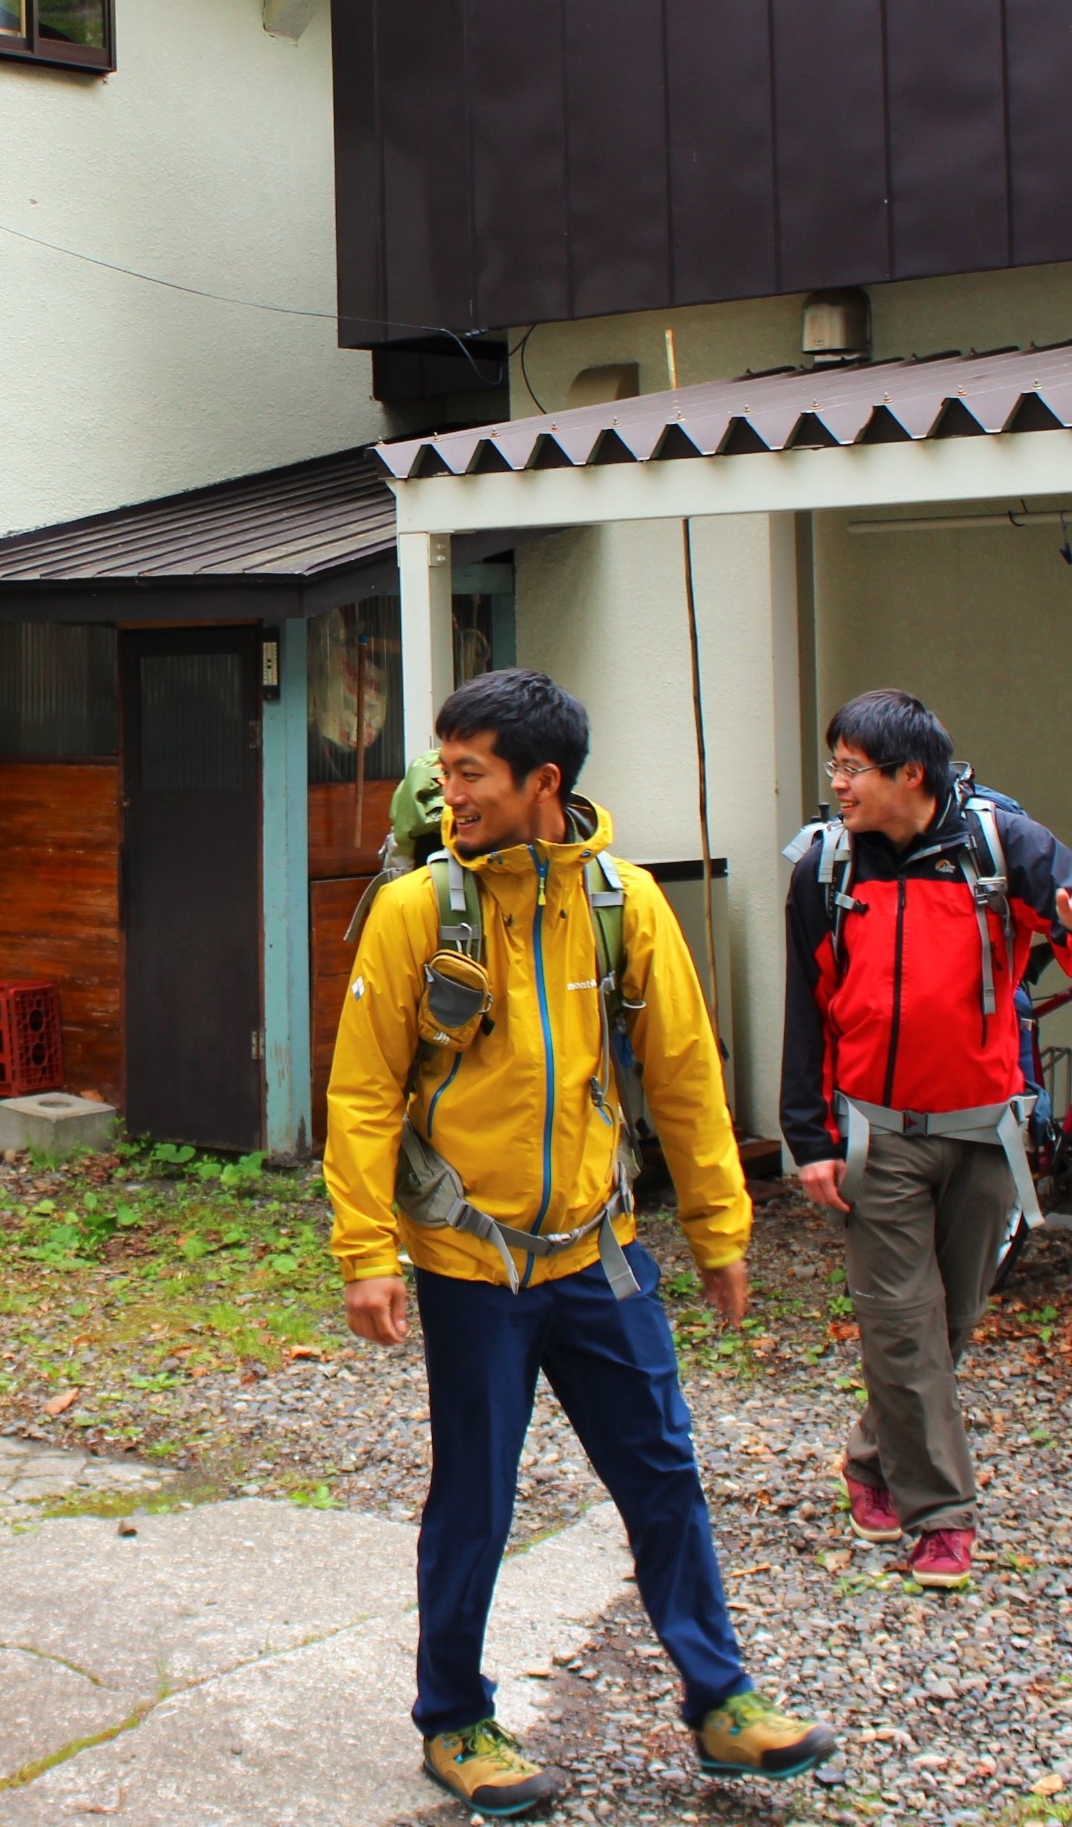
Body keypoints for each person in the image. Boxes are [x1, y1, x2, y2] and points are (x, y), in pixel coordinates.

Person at [328, 668, 840, 1817]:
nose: (451, 794)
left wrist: (719, 1228)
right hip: (473, 1267)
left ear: (542, 782)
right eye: (446, 771)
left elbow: (686, 1074)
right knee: (475, 1498)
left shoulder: (625, 904)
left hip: (599, 1257)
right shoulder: (418, 912)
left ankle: (723, 1701)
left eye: (472, 773)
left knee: (662, 1471)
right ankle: (454, 1719)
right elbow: (361, 1094)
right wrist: (366, 1252)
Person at [780, 689, 1072, 1591]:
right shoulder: (825, 869)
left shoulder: (1001, 845)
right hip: (877, 1138)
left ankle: (871, 1459)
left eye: (853, 769)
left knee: (947, 1324)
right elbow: (807, 1011)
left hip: (984, 1133)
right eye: (835, 767)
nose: (838, 784)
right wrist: (809, 1136)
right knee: (902, 1326)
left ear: (911, 775)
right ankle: (942, 1519)